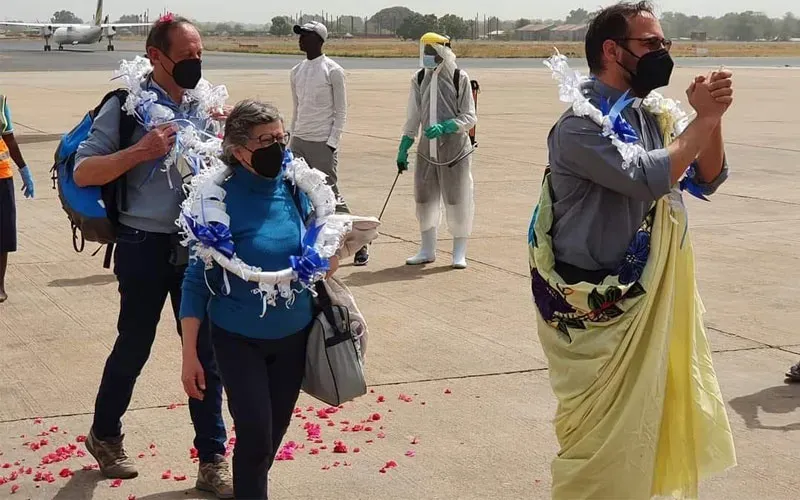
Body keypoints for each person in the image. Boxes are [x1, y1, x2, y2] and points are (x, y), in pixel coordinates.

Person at [528, 2, 736, 498]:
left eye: (665, 44)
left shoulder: (653, 115)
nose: (662, 53)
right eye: (650, 44)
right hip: (595, 307)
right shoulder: (579, 126)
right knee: (596, 446)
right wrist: (701, 121)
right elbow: (648, 177)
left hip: (647, 293)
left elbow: (708, 176)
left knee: (644, 430)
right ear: (611, 50)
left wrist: (713, 118)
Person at [74, 15, 232, 498]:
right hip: (143, 244)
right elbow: (84, 171)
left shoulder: (207, 106)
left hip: (195, 246)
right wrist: (139, 152)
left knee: (206, 353)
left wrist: (231, 142)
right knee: (134, 344)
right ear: (156, 57)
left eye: (200, 54)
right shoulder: (125, 108)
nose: (196, 63)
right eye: (186, 56)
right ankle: (105, 434)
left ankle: (212, 459)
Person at [180, 100, 339, 499]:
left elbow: (316, 247)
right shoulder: (216, 199)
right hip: (238, 338)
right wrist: (189, 355)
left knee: (270, 438)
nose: (278, 148)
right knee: (254, 435)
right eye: (266, 140)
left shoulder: (295, 188)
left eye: (281, 138)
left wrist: (329, 257)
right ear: (237, 149)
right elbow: (196, 281)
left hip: (293, 336)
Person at [290, 22, 369, 266]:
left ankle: (360, 242)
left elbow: (341, 110)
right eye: (300, 36)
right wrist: (291, 139)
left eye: (306, 35)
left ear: (319, 40)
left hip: (322, 142)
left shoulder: (333, 70)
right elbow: (297, 108)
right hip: (299, 141)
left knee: (330, 194)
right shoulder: (296, 71)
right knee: (297, 193)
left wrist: (332, 142)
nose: (301, 40)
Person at [396, 32, 477, 269]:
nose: (427, 56)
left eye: (431, 52)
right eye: (425, 51)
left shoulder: (458, 77)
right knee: (425, 199)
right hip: (426, 151)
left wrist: (448, 125)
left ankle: (458, 252)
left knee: (457, 199)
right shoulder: (419, 78)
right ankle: (427, 249)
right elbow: (413, 117)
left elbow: (470, 116)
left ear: (443, 51)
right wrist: (404, 146)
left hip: (454, 151)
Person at [0, 93, 35, 303]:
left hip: (2, 175)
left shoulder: (0, 101)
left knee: (3, 233)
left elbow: (9, 138)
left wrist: (23, 169)